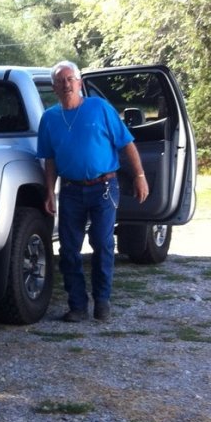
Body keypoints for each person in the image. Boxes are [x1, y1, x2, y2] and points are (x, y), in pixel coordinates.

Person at [37, 61, 150, 323]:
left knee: (101, 243)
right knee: (68, 250)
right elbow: (50, 159)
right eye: (60, 81)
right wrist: (49, 192)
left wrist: (140, 176)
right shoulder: (50, 118)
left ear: (79, 83)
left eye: (70, 79)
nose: (66, 84)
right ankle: (77, 305)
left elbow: (127, 143)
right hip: (70, 191)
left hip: (104, 187)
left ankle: (102, 301)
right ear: (54, 87)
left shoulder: (99, 108)